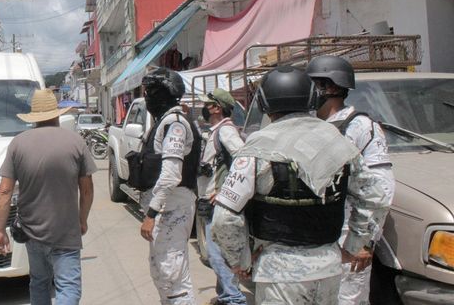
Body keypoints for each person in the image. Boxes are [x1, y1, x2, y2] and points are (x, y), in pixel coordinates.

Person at [212, 66, 389, 304]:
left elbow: (224, 218)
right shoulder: (336, 141)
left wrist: (240, 261)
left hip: (278, 273)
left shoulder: (257, 148)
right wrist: (355, 245)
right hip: (329, 268)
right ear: (312, 98)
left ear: (263, 103)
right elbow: (375, 196)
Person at [307, 56, 395, 305]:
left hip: (349, 235)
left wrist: (365, 241)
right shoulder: (310, 126)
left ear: (331, 87)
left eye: (313, 84)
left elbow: (382, 187)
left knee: (348, 299)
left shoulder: (360, 126)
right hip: (316, 236)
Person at [0, 88, 96, 305]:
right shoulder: (75, 142)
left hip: (32, 231)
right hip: (65, 232)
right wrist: (82, 220)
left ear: (34, 116)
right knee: (68, 287)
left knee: (39, 282)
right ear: (56, 114)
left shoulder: (18, 144)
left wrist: (0, 230)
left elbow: (4, 191)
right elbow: (87, 190)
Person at [137, 68, 201, 305]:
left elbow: (171, 175)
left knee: (172, 276)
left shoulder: (175, 125)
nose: (146, 97)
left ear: (161, 94)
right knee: (163, 273)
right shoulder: (165, 122)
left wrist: (151, 214)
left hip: (172, 208)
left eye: (149, 92)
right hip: (168, 208)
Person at [197, 89, 246, 305]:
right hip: (210, 201)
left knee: (216, 255)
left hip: (219, 204)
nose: (203, 109)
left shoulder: (225, 131)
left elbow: (243, 159)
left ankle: (235, 299)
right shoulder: (216, 131)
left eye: (207, 105)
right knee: (219, 253)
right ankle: (225, 296)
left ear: (217, 108)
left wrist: (225, 191)